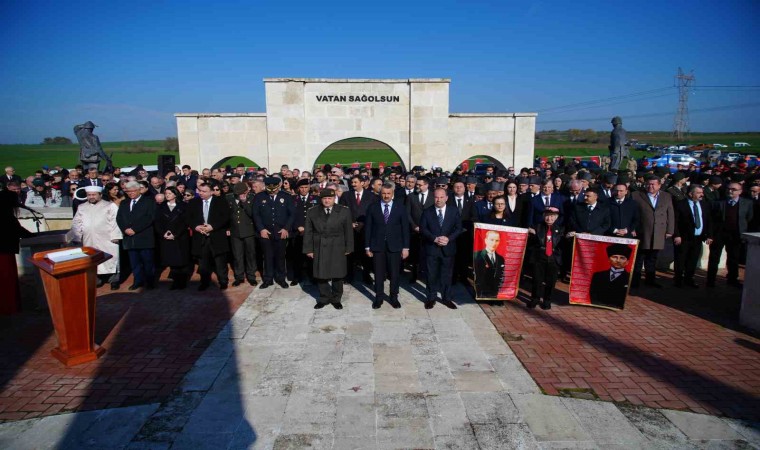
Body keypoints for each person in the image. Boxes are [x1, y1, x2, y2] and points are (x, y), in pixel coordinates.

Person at [303, 188, 354, 309]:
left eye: (329, 198)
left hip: (338, 245)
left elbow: (348, 231)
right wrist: (308, 249)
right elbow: (308, 232)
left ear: (334, 198)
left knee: (338, 273)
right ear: (321, 199)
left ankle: (336, 298)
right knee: (321, 273)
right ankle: (324, 298)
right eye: (324, 198)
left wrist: (349, 247)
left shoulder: (344, 211)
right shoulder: (313, 212)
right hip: (319, 245)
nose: (327, 201)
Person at [364, 182, 410, 309]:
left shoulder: (400, 207)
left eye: (388, 193)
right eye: (383, 193)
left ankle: (394, 297)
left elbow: (405, 229)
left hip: (395, 246)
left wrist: (406, 247)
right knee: (378, 274)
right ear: (380, 193)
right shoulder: (372, 207)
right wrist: (367, 246)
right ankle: (378, 297)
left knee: (394, 274)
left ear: (393, 194)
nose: (386, 196)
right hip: (377, 246)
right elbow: (368, 228)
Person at [66, 186, 122, 289]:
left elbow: (115, 222)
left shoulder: (110, 206)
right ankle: (97, 280)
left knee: (111, 259)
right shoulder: (82, 207)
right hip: (89, 239)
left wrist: (115, 235)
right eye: (89, 195)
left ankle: (114, 280)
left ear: (100, 195)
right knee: (92, 259)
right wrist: (77, 236)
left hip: (107, 238)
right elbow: (76, 223)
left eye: (94, 195)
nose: (91, 197)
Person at [419, 188, 462, 309]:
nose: (439, 200)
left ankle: (446, 298)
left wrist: (448, 238)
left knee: (446, 275)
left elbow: (458, 228)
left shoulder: (453, 211)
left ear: (446, 198)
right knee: (431, 274)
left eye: (441, 197)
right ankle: (431, 298)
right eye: (437, 197)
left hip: (448, 249)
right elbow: (423, 229)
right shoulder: (427, 212)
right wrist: (434, 238)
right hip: (432, 248)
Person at [707, 182, 753, 288]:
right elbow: (712, 220)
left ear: (740, 191)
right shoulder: (718, 203)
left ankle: (732, 279)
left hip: (736, 235)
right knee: (714, 257)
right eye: (728, 189)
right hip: (719, 234)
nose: (730, 191)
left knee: (733, 258)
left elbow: (749, 219)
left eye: (733, 189)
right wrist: (710, 234)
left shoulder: (747, 203)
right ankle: (710, 280)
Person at [631, 177, 674, 288]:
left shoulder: (666, 196)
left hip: (658, 232)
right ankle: (635, 281)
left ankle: (650, 280)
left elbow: (670, 213)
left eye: (653, 184)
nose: (650, 186)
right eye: (648, 184)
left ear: (659, 185)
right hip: (642, 231)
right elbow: (632, 214)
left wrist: (670, 230)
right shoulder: (636, 195)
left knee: (652, 258)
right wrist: (632, 228)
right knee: (639, 258)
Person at [187, 183, 231, 290]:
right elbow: (188, 217)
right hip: (200, 237)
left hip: (216, 235)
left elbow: (225, 217)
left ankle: (223, 281)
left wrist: (212, 226)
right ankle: (204, 282)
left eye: (204, 191)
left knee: (220, 262)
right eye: (200, 191)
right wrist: (196, 227)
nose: (201, 193)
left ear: (211, 192)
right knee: (203, 263)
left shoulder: (221, 201)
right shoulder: (193, 202)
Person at [253, 177, 295, 289]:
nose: (272, 192)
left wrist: (286, 228)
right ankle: (268, 279)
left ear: (278, 186)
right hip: (265, 233)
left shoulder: (286, 197)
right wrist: (261, 229)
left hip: (281, 232)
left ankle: (281, 278)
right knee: (267, 256)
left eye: (274, 189)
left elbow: (292, 214)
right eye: (270, 190)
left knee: (280, 257)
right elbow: (256, 214)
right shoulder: (259, 197)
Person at [116, 181, 156, 290]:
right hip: (129, 238)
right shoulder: (124, 203)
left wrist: (135, 229)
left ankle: (150, 281)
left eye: (133, 191)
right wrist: (125, 229)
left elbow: (149, 218)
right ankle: (138, 281)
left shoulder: (148, 202)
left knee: (148, 262)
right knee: (134, 262)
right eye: (129, 191)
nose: (131, 193)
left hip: (144, 237)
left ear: (139, 190)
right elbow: (119, 218)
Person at [673, 184, 712, 288]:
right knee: (681, 259)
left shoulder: (704, 204)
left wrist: (709, 235)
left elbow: (708, 220)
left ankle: (689, 279)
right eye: (698, 193)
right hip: (684, 237)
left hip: (698, 238)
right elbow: (675, 221)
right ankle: (678, 280)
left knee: (693, 259)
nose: (702, 195)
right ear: (690, 194)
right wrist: (677, 235)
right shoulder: (680, 204)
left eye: (702, 193)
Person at [0, 190, 33, 314]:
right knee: (6, 281)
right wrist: (33, 236)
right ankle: (8, 308)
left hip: (5, 251)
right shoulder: (5, 215)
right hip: (4, 253)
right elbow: (18, 230)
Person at [154, 187, 192, 290]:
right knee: (172, 261)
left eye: (169, 193)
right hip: (166, 237)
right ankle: (175, 282)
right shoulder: (161, 206)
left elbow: (185, 222)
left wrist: (175, 234)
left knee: (182, 261)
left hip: (180, 238)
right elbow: (157, 222)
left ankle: (182, 282)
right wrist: (163, 233)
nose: (167, 195)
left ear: (175, 194)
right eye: (166, 193)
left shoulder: (183, 206)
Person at [527, 207, 564, 309]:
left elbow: (562, 244)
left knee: (551, 282)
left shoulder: (560, 229)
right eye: (547, 216)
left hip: (553, 257)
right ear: (544, 217)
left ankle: (547, 300)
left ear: (556, 218)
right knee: (537, 280)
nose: (549, 219)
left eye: (552, 216)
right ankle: (535, 298)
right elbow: (531, 243)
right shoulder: (537, 227)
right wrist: (532, 234)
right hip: (539, 256)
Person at [227, 182, 258, 287]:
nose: (239, 195)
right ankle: (239, 277)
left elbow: (253, 214)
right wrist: (227, 228)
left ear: (246, 191)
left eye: (241, 193)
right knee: (237, 256)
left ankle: (251, 276)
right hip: (235, 232)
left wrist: (244, 202)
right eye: (237, 193)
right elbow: (228, 215)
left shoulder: (253, 199)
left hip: (249, 232)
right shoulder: (229, 198)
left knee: (250, 255)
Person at [589, 243, 633, 309]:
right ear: (609, 260)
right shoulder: (598, 276)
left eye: (622, 258)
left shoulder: (629, 278)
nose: (618, 261)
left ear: (627, 262)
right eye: (615, 257)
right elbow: (593, 293)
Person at [473, 230, 505, 298]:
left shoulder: (501, 259)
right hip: (481, 292)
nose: (494, 243)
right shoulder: (477, 255)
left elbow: (501, 275)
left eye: (497, 240)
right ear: (486, 240)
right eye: (491, 240)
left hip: (494, 292)